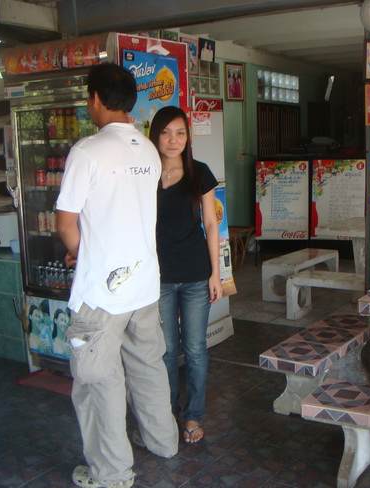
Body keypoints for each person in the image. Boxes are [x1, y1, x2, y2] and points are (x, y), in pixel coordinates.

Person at [56, 63, 178, 488]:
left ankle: (110, 474)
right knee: (147, 365)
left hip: (101, 295)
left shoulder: (87, 151)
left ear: (95, 99)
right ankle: (163, 441)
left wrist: (81, 254)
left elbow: (66, 223)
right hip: (144, 284)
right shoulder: (146, 148)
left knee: (98, 382)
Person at [148, 106, 222, 445]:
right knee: (165, 350)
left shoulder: (200, 173)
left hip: (195, 275)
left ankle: (193, 414)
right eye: (166, 132)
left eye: (180, 132)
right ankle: (166, 414)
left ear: (188, 136)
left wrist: (215, 275)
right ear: (155, 135)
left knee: (194, 349)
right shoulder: (144, 173)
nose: (173, 139)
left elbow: (210, 223)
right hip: (158, 277)